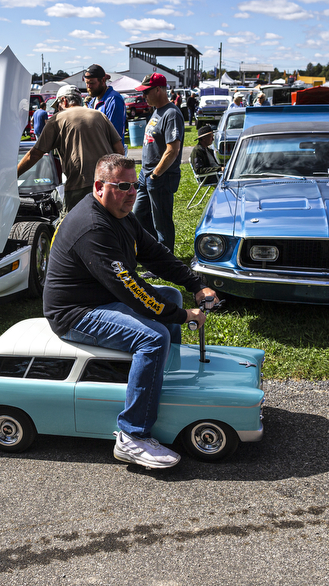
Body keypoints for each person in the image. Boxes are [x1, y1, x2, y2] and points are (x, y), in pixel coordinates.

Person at [43, 153, 218, 469]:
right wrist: (183, 317)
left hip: (101, 297)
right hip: (74, 312)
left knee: (171, 297)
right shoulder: (93, 227)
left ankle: (162, 377)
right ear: (99, 186)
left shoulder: (121, 214)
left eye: (134, 186)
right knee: (153, 337)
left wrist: (195, 285)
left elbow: (155, 255)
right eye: (122, 186)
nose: (131, 193)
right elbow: (132, 290)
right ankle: (132, 435)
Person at [17, 84, 124, 213]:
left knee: (74, 228)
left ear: (64, 101)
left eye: (58, 105)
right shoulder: (99, 115)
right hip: (106, 184)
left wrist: (14, 175)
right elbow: (119, 150)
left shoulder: (57, 119)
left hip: (78, 186)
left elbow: (34, 155)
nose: (58, 109)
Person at [131, 73, 184, 253]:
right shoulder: (156, 110)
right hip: (146, 175)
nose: (143, 96)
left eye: (146, 92)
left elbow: (173, 150)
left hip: (160, 176)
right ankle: (155, 252)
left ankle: (166, 262)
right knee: (138, 214)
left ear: (159, 90)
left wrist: (155, 174)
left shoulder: (171, 113)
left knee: (161, 222)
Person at [83, 64, 127, 148]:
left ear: (103, 80)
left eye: (92, 83)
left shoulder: (113, 100)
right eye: (87, 83)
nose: (89, 87)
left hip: (109, 154)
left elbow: (115, 135)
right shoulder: (92, 101)